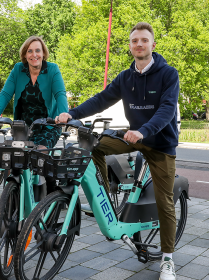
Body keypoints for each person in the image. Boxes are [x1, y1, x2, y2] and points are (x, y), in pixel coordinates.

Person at [56, 22, 179, 280]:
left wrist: (145, 130)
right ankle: (105, 199)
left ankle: (167, 259)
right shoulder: (126, 77)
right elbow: (101, 99)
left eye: (144, 40)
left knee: (164, 202)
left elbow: (167, 110)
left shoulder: (168, 74)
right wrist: (73, 114)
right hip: (134, 137)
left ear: (152, 45)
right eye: (135, 41)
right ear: (131, 46)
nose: (139, 45)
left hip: (160, 144)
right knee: (94, 145)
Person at [0, 36, 69, 190]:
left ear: (43, 53)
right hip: (23, 126)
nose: (34, 55)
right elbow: (6, 93)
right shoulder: (18, 69)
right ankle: (12, 199)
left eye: (38, 50)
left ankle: (54, 194)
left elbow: (60, 94)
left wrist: (64, 114)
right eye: (30, 51)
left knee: (40, 156)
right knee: (14, 160)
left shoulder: (52, 70)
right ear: (25, 55)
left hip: (48, 126)